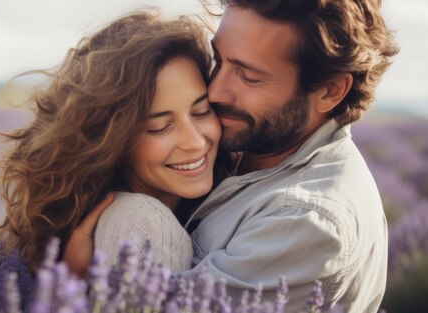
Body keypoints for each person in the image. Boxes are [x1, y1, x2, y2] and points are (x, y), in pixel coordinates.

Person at [66, 0, 398, 312]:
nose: (215, 91)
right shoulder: (254, 146)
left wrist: (80, 285)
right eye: (219, 60)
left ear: (329, 91)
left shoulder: (308, 222)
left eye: (249, 76)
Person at [0, 11, 227, 271]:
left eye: (200, 111)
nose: (195, 142)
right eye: (159, 127)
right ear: (113, 141)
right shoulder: (145, 224)